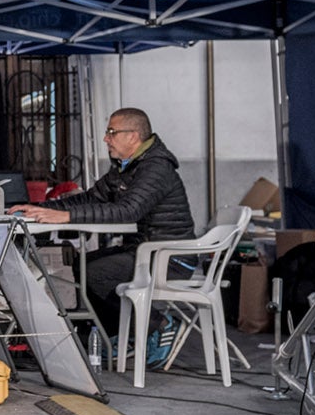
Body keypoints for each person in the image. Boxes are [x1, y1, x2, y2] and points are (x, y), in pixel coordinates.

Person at [10, 107, 195, 335]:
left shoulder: (155, 168)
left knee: (95, 273)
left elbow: (128, 211)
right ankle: (116, 335)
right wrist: (37, 208)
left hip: (170, 259)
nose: (106, 138)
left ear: (133, 136)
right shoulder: (126, 167)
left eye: (112, 132)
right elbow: (90, 198)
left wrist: (66, 217)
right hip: (143, 252)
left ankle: (159, 327)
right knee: (81, 266)